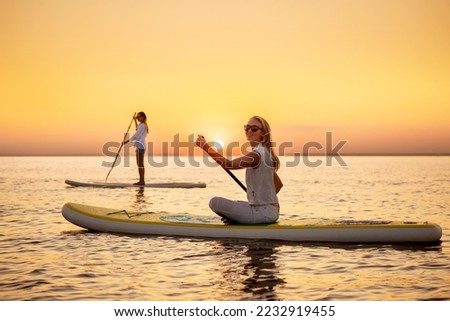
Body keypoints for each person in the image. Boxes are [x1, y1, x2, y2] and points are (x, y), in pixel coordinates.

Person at [196, 115, 283, 224]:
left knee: (214, 202)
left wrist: (205, 146)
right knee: (238, 203)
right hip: (270, 211)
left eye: (254, 129)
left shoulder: (256, 155)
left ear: (263, 134)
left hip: (263, 214)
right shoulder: (265, 153)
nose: (249, 131)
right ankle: (241, 218)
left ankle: (242, 220)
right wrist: (264, 200)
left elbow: (228, 164)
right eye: (247, 127)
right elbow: (278, 185)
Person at [125, 111, 148, 185]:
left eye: (139, 117)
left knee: (140, 164)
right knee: (139, 164)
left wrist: (127, 141)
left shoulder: (143, 125)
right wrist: (135, 121)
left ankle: (142, 181)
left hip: (141, 145)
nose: (137, 118)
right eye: (137, 117)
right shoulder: (141, 125)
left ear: (143, 117)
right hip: (139, 145)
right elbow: (137, 130)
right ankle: (141, 180)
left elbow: (136, 135)